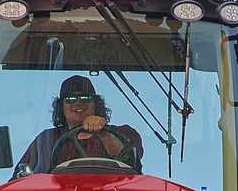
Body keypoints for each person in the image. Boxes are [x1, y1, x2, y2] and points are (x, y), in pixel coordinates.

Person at [15, 75, 143, 175]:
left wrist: (103, 134)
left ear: (96, 104)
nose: (78, 104)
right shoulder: (45, 139)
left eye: (85, 98)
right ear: (61, 106)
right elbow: (20, 178)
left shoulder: (124, 133)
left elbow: (132, 162)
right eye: (70, 99)